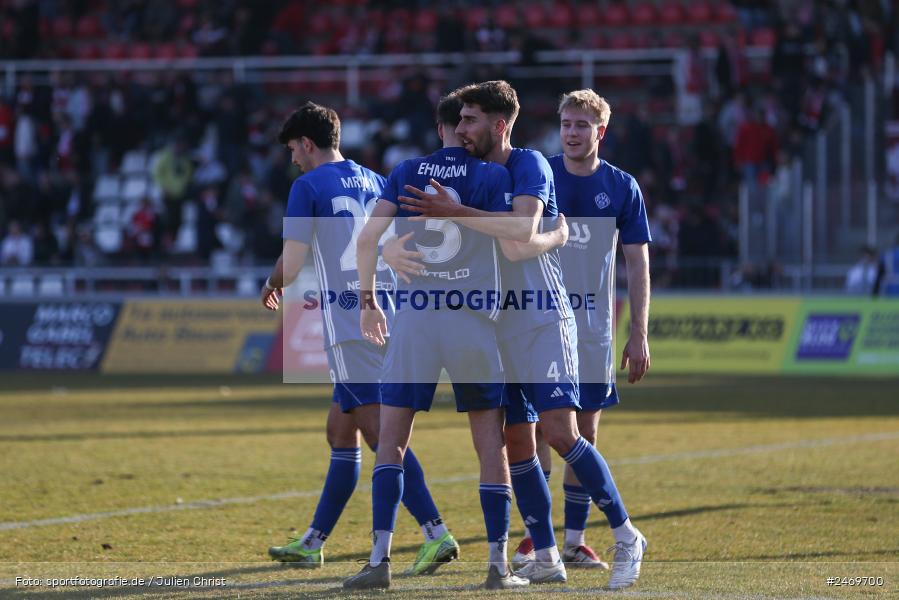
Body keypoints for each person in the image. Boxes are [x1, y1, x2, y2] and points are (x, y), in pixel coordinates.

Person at [398, 80, 647, 590]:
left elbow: (517, 242)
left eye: (469, 120)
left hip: (541, 318)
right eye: (458, 120)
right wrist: (389, 251)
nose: (459, 129)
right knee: (517, 445)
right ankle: (549, 555)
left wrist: (460, 215)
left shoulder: (530, 164)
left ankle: (626, 536)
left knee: (561, 432)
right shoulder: (472, 176)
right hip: (496, 326)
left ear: (499, 124)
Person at [260, 101, 457, 574]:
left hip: (350, 325)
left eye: (293, 149)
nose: (293, 159)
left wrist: (270, 284)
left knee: (380, 435)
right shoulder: (373, 178)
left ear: (307, 143)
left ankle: (435, 531)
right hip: (387, 312)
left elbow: (291, 264)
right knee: (340, 429)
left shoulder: (307, 186)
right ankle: (313, 540)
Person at [344, 92, 529, 591]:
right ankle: (498, 567)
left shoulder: (406, 170)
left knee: (391, 442)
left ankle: (379, 562)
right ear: (462, 126)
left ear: (437, 127)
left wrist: (369, 300)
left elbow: (365, 240)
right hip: (472, 321)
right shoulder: (493, 176)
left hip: (416, 320)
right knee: (490, 445)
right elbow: (515, 241)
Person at [517, 89, 652, 576]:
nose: (571, 133)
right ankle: (540, 539)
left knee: (584, 433)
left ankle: (574, 541)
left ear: (601, 132)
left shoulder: (621, 187)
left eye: (581, 125)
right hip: (538, 322)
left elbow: (637, 261)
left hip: (592, 331)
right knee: (536, 430)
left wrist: (638, 332)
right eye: (566, 124)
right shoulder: (541, 175)